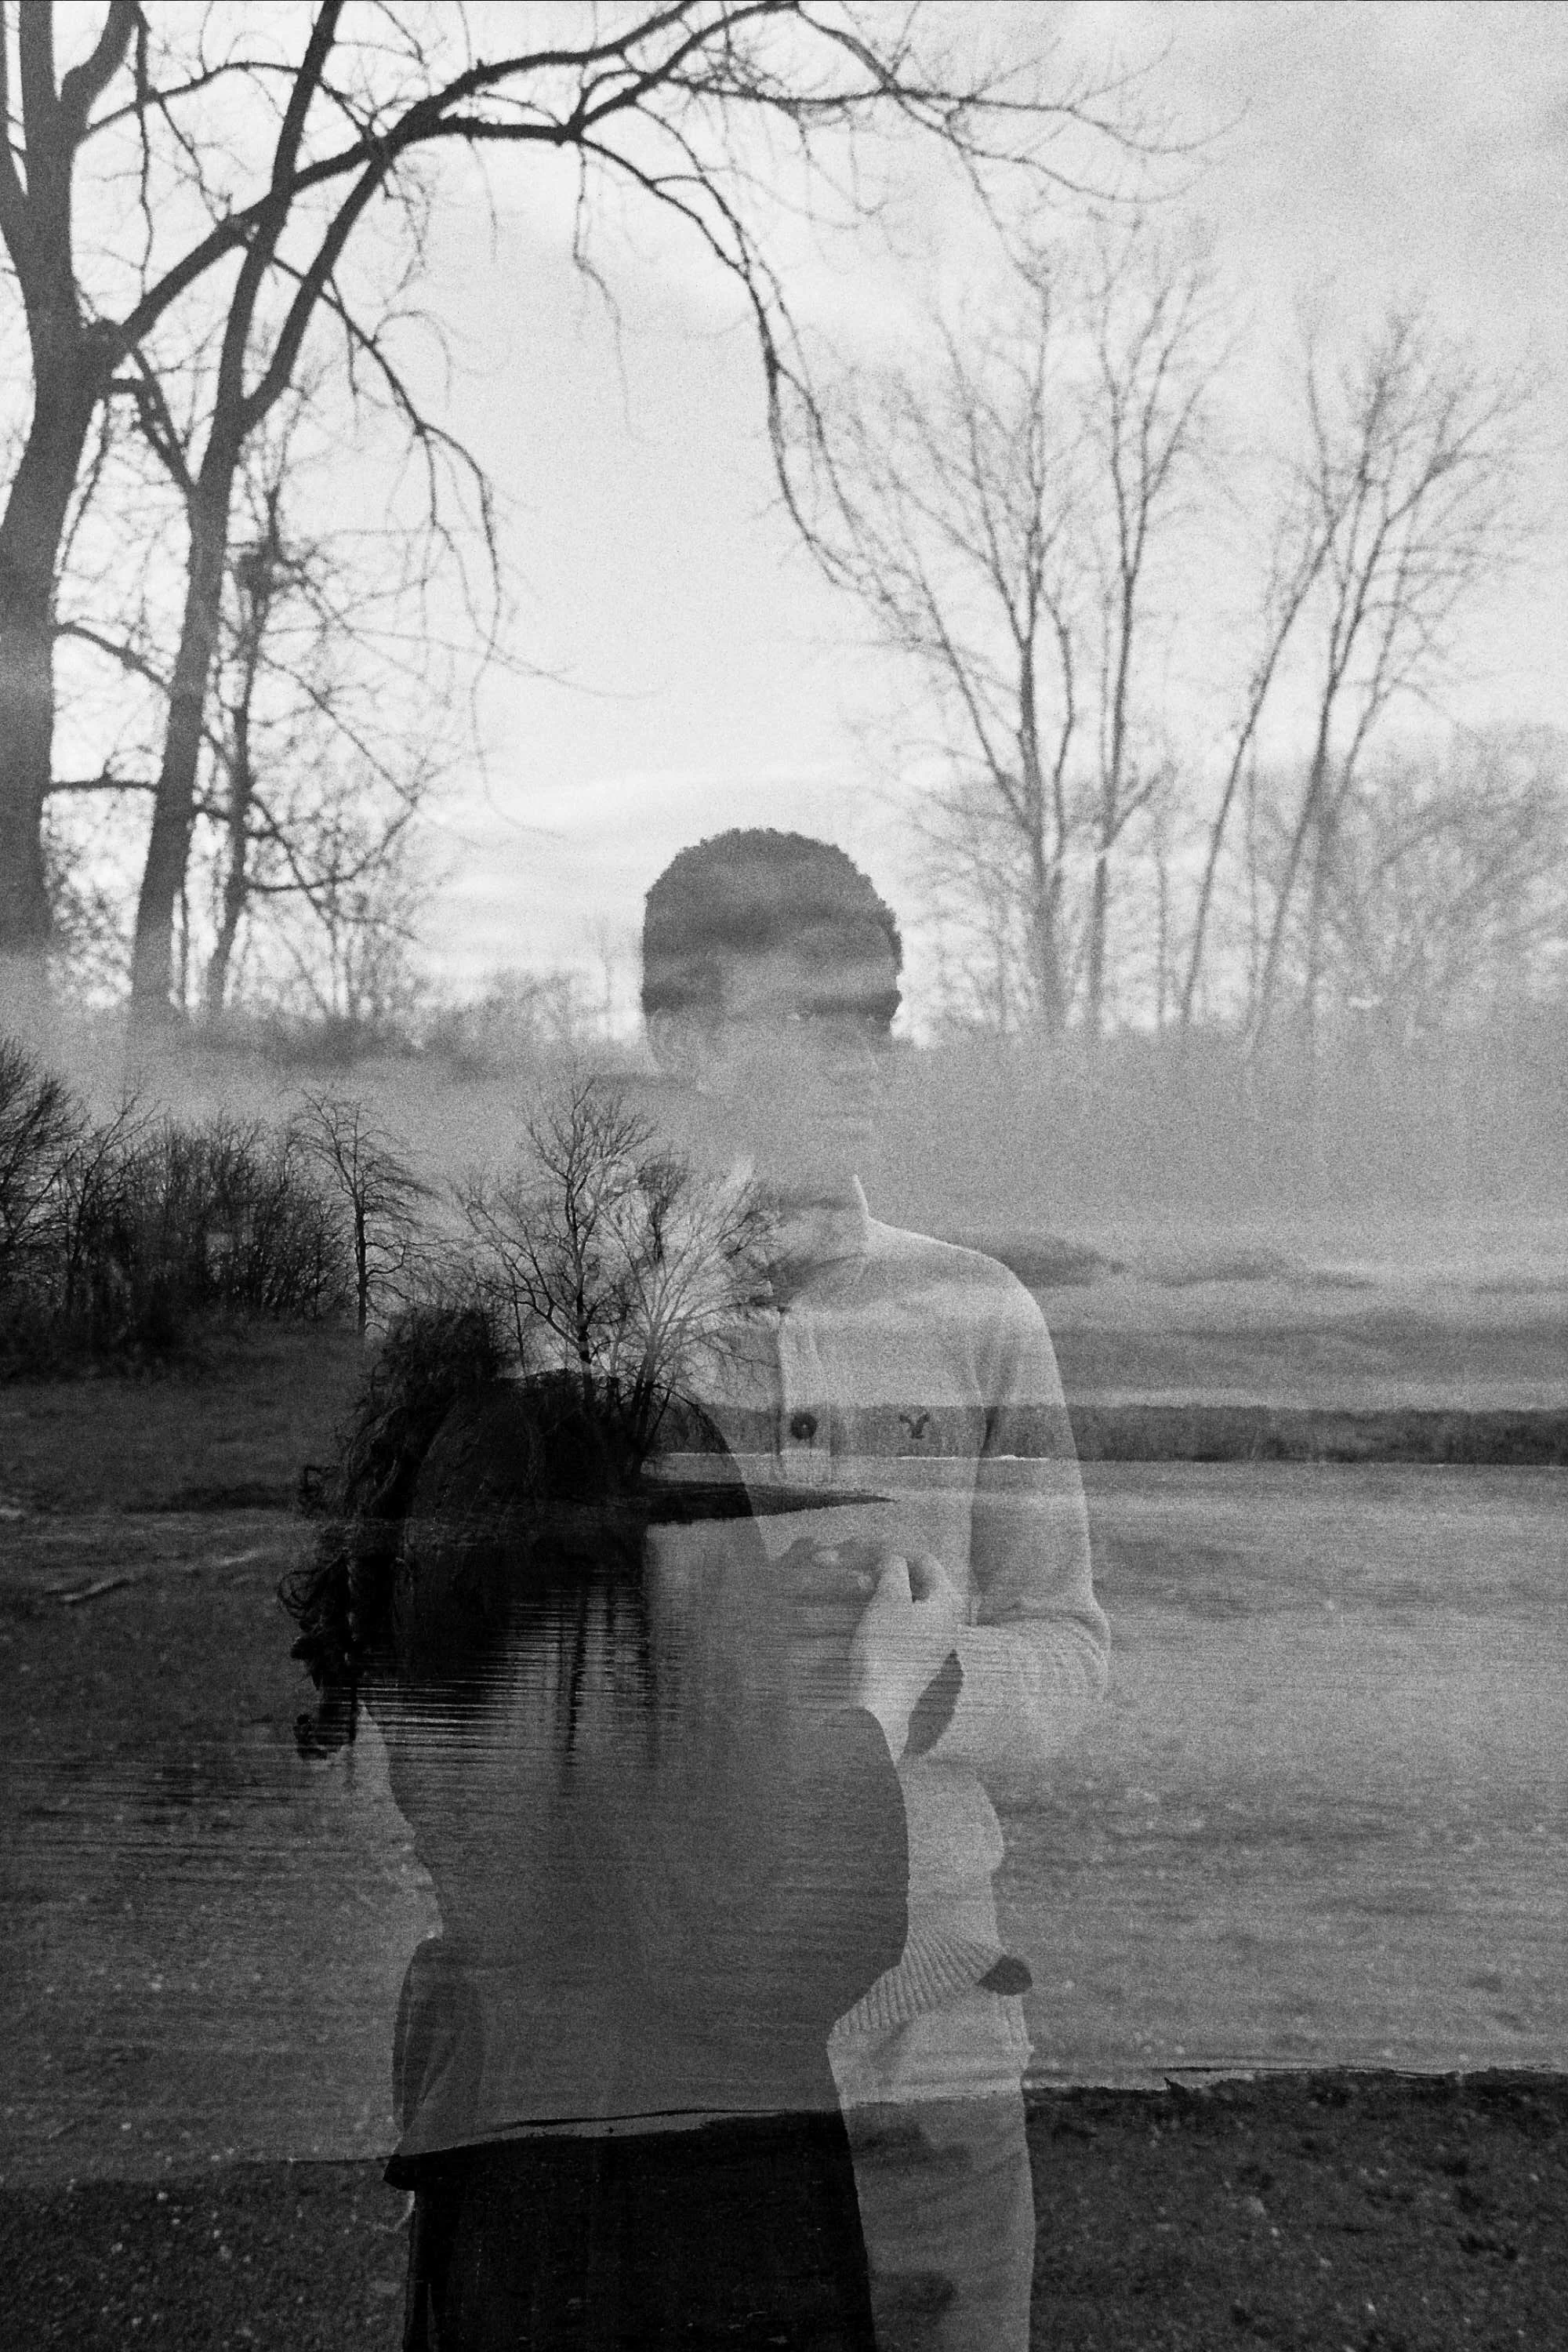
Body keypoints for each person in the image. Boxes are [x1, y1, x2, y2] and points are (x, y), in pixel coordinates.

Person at [638, 829, 1109, 2352]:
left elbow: (1071, 1648)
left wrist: (931, 1681)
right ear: (682, 1039)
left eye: (878, 1019)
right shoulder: (599, 1337)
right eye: (805, 1020)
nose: (858, 1062)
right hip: (667, 2077)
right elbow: (489, 1712)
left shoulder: (977, 1313)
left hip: (933, 2065)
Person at [287, 1351, 963, 2349]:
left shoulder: (461, 1662)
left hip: (517, 2170)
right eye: (697, 1539)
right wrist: (877, 1703)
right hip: (665, 2207)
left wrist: (755, 1639)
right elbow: (759, 1954)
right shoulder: (595, 1730)